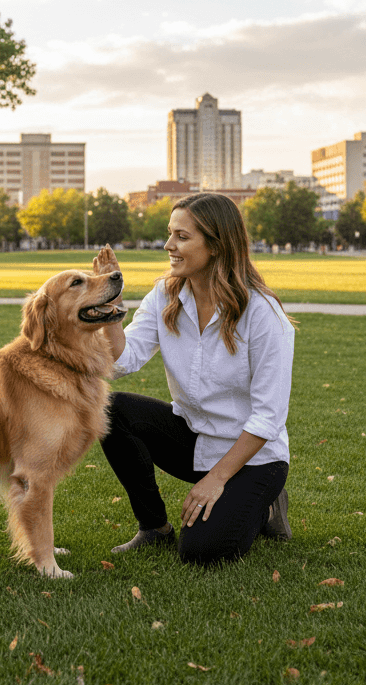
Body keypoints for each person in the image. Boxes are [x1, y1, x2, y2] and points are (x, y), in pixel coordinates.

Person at [94, 192, 296, 566]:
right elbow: (123, 360)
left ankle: (265, 508)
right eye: (170, 234)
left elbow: (268, 418)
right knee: (112, 409)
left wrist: (216, 479)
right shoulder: (166, 295)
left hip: (254, 458)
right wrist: (110, 308)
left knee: (202, 551)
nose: (169, 246)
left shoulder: (263, 315)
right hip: (194, 438)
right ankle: (154, 527)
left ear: (217, 245)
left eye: (182, 237)